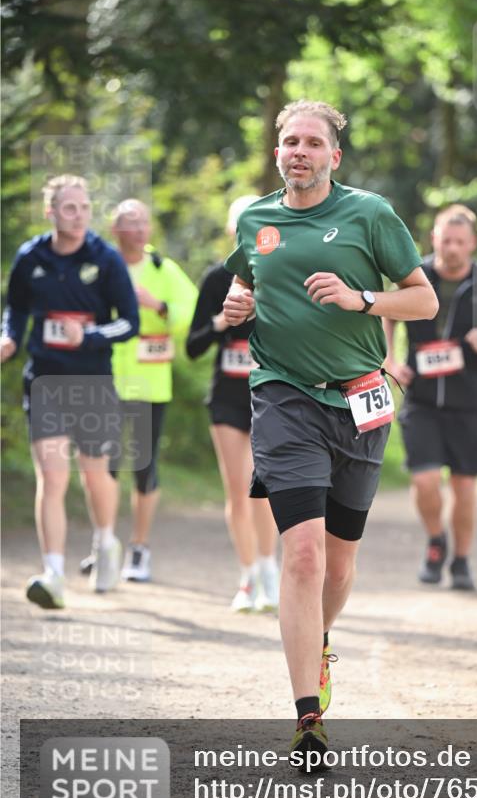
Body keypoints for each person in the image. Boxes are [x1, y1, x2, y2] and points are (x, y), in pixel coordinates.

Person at [222, 99, 437, 757]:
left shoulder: (368, 214)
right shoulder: (257, 221)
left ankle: (316, 639)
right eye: (289, 141)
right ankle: (306, 717)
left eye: (312, 142)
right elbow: (243, 291)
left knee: (340, 564)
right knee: (305, 553)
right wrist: (237, 307)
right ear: (277, 152)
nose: (298, 151)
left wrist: (360, 299)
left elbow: (423, 298)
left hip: (360, 403)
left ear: (332, 156)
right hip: (283, 399)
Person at [0, 175, 139, 608]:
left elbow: (129, 321)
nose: (77, 215)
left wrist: (91, 335)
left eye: (83, 207)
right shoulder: (31, 256)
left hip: (93, 381)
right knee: (52, 475)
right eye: (68, 208)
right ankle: (54, 573)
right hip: (44, 379)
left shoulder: (106, 258)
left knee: (94, 475)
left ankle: (105, 542)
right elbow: (16, 307)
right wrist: (9, 337)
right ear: (51, 212)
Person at [384, 205, 477, 591]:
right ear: (434, 238)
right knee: (425, 480)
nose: (453, 248)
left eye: (460, 242)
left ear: (473, 243)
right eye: (446, 240)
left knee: (463, 488)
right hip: (422, 399)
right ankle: (435, 541)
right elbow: (387, 314)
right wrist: (390, 359)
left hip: (469, 402)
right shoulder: (415, 276)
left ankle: (461, 561)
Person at [79, 199, 198, 582]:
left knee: (144, 468)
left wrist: (159, 306)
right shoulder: (100, 267)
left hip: (150, 384)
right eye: (131, 222)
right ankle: (104, 544)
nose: (141, 229)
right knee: (105, 466)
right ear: (115, 230)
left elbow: (190, 314)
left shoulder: (164, 269)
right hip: (106, 377)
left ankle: (139, 549)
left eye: (145, 221)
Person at [186, 195, 280, 613]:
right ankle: (247, 577)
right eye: (238, 223)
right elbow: (192, 346)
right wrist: (222, 322)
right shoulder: (214, 278)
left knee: (265, 490)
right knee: (238, 492)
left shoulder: (279, 275)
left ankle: (269, 570)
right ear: (231, 231)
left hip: (270, 395)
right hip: (226, 397)